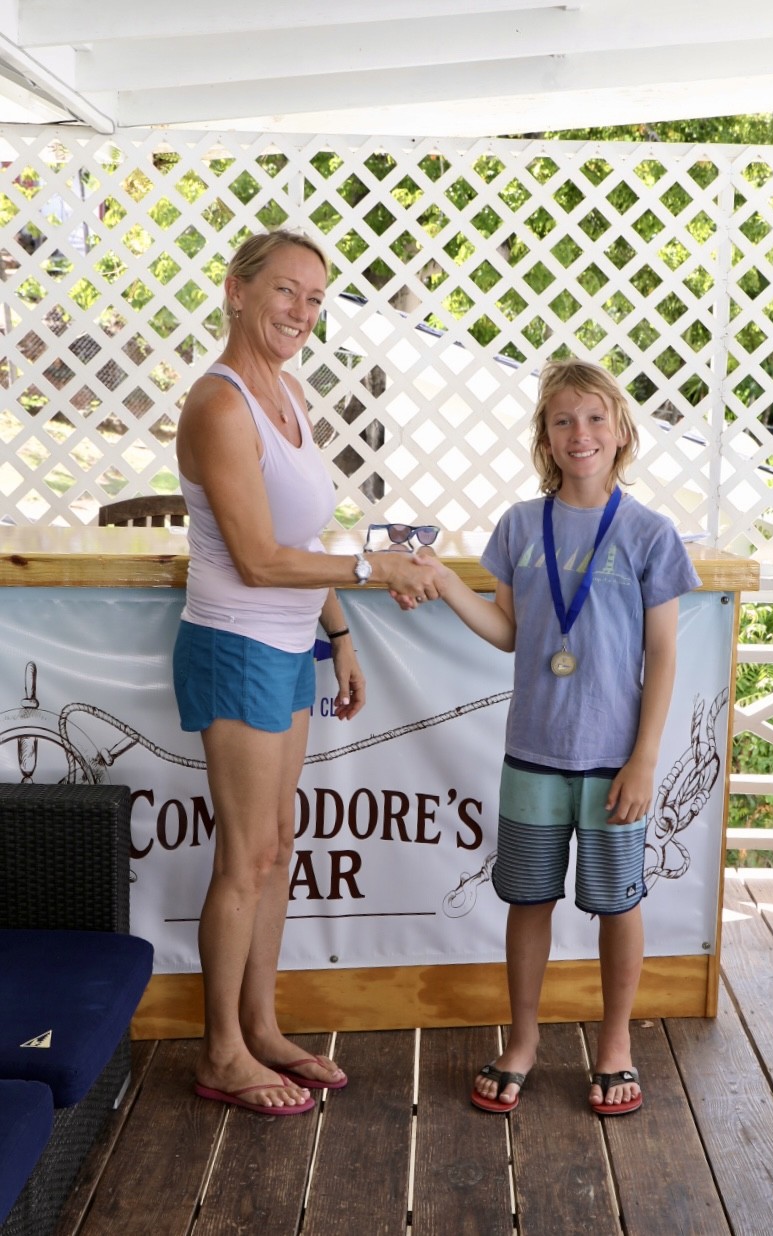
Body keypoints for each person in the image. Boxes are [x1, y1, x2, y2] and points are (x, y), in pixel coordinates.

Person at [173, 228, 441, 1116]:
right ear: (236, 290)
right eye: (286, 290)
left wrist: (340, 633)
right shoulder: (219, 405)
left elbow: (302, 540)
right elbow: (257, 559)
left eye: (316, 298)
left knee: (278, 846)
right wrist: (371, 571)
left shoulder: (287, 393)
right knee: (246, 855)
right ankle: (220, 1053)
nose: (301, 311)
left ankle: (260, 1026)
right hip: (236, 643)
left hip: (289, 645)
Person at [418, 357, 700, 1116]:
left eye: (596, 418)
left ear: (622, 430)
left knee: (618, 904)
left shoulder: (649, 533)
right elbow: (508, 631)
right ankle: (523, 1041)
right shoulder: (519, 525)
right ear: (544, 437)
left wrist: (645, 759)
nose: (581, 433)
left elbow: (664, 654)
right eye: (563, 420)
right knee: (528, 899)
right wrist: (445, 583)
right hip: (533, 753)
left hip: (614, 759)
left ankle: (615, 1044)